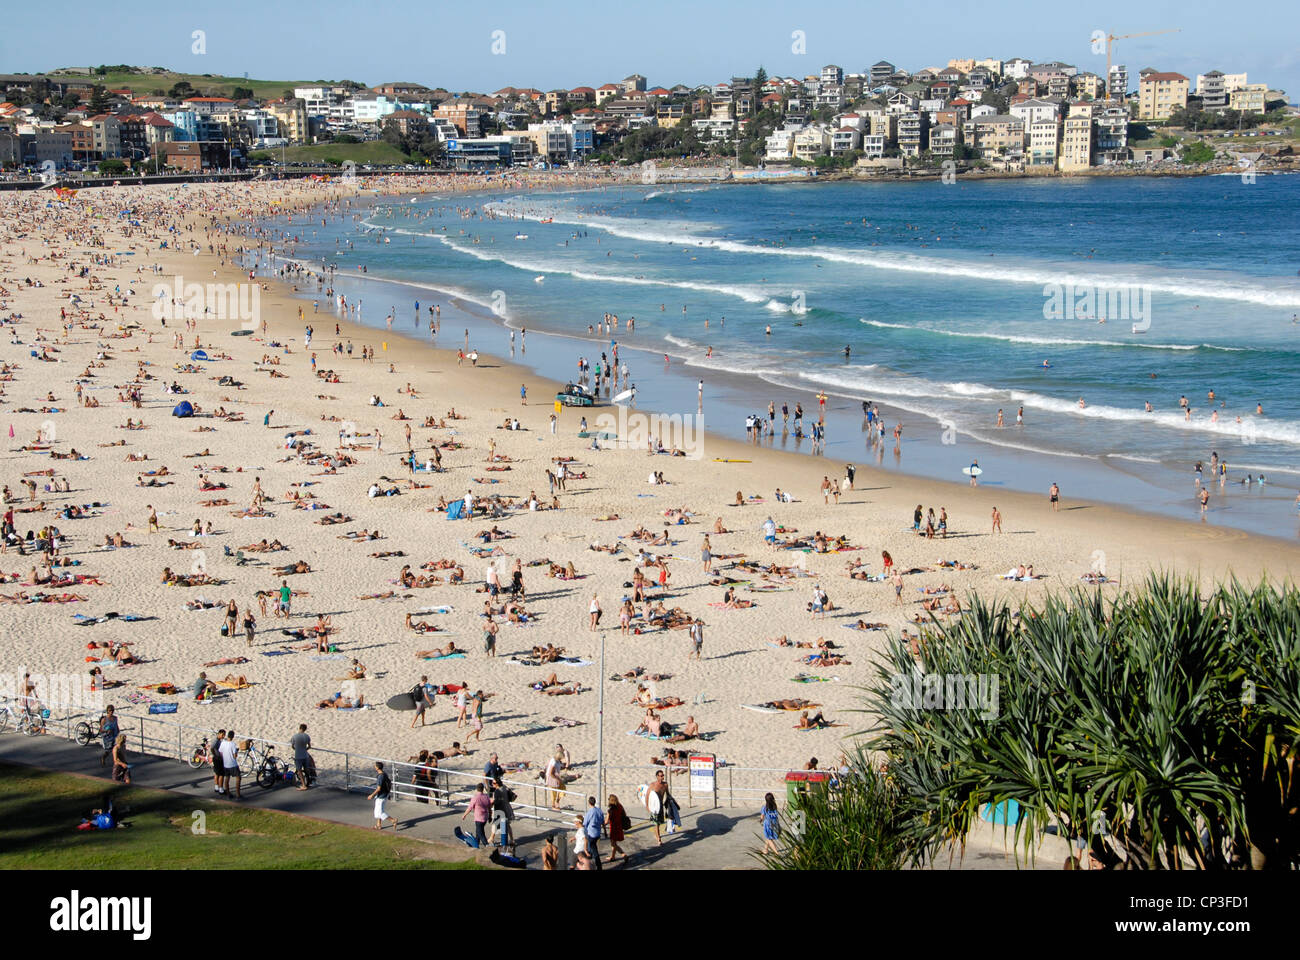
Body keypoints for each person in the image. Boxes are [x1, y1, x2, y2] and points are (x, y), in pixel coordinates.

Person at [369, 761, 398, 830]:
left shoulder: (380, 777)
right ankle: (378, 825)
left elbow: (378, 788)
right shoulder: (384, 774)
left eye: (375, 766)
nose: (374, 767)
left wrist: (372, 795)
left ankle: (393, 820)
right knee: (379, 810)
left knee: (379, 812)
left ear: (377, 768)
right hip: (385, 794)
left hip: (381, 796)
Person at [461, 782, 492, 847]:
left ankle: (486, 845)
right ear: (483, 789)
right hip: (485, 818)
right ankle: (476, 845)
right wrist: (490, 817)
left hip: (478, 818)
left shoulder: (475, 798)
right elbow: (489, 808)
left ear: (477, 789)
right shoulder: (486, 797)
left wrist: (464, 815)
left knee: (481, 833)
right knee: (478, 832)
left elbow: (470, 808)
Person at [583, 795, 605, 869]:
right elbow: (603, 822)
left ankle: (595, 865)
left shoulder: (589, 812)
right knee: (593, 848)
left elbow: (585, 823)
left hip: (591, 834)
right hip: (598, 833)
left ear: (589, 803)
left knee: (591, 850)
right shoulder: (599, 810)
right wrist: (605, 832)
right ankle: (595, 864)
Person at [218, 730, 242, 799]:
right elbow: (235, 756)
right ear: (233, 737)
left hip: (226, 764)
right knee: (238, 778)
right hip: (233, 764)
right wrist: (236, 752)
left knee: (227, 778)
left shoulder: (223, 743)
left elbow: (220, 752)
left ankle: (228, 793)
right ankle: (238, 794)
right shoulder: (233, 744)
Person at [606, 794, 628, 863]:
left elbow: (606, 821)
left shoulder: (610, 810)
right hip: (619, 827)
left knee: (613, 844)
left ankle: (623, 854)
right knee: (614, 843)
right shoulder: (620, 806)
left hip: (613, 828)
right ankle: (613, 857)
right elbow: (624, 814)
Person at [290, 723, 312, 790]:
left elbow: (292, 746)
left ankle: (303, 785)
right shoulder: (307, 736)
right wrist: (305, 749)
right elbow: (309, 746)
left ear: (300, 728)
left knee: (299, 770)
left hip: (298, 756)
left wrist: (296, 749)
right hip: (305, 755)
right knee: (306, 769)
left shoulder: (295, 736)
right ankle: (309, 782)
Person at [98, 704, 119, 769]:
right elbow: (101, 730)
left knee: (117, 749)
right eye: (110, 710)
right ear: (107, 711)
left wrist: (118, 730)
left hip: (114, 736)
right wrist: (107, 731)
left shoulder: (115, 718)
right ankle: (103, 758)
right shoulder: (104, 719)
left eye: (112, 710)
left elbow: (116, 726)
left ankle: (117, 762)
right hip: (107, 737)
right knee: (109, 750)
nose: (111, 712)